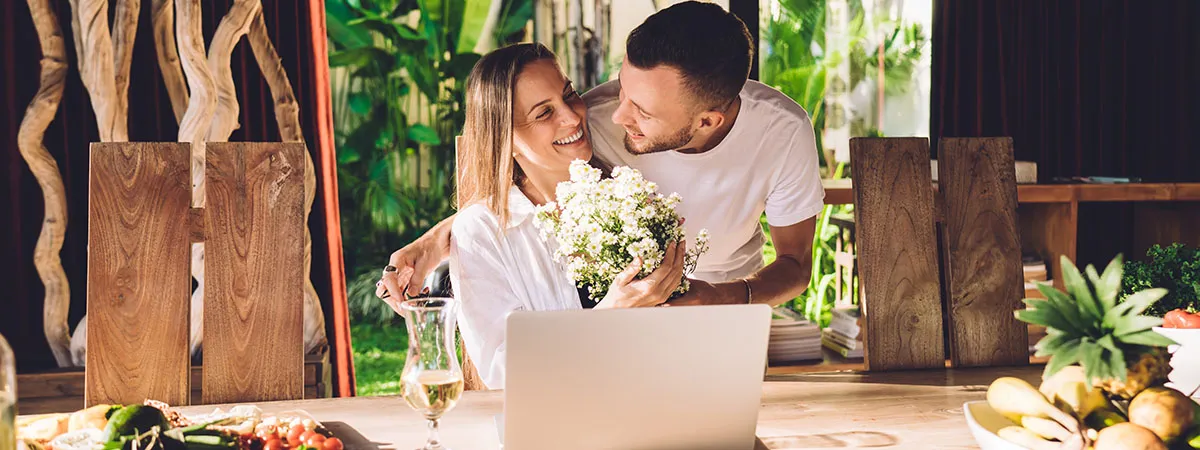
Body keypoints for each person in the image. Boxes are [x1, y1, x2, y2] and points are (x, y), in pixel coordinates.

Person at [379, 1, 824, 309]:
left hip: (730, 312)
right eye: (622, 87)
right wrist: (435, 240)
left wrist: (720, 296)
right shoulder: (590, 116)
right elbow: (525, 185)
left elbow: (795, 265)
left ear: (708, 120)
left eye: (642, 111)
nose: (614, 116)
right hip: (628, 326)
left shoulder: (782, 132)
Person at [378, 43, 687, 390]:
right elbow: (500, 369)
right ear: (505, 138)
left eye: (568, 94)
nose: (572, 117)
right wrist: (607, 317)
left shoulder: (628, 194)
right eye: (544, 113)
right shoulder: (482, 231)